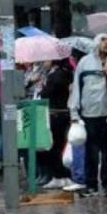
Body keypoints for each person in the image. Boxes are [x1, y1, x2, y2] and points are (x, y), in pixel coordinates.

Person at [70, 33, 107, 198]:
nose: (106, 43)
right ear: (96, 43)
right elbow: (77, 87)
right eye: (103, 40)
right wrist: (74, 111)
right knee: (91, 152)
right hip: (89, 114)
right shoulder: (84, 63)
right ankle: (91, 185)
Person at [39, 58, 74, 189]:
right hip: (62, 113)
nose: (44, 62)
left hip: (56, 114)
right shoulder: (66, 73)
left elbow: (46, 94)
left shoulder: (56, 75)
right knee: (59, 146)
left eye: (45, 60)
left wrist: (43, 87)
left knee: (54, 146)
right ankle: (62, 175)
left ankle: (59, 175)